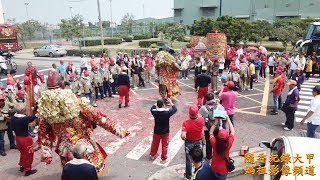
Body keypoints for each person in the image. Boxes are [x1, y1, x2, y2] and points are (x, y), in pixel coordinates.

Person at [11, 104, 38, 176]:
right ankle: (28, 170)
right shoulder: (23, 119)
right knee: (29, 154)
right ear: (22, 110)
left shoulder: (13, 118)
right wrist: (37, 109)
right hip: (25, 139)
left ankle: (22, 166)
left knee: (23, 153)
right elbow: (34, 116)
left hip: (17, 138)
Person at [149, 99, 177, 164]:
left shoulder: (154, 112)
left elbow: (151, 108)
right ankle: (163, 158)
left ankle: (153, 155)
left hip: (157, 131)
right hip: (165, 131)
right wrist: (171, 103)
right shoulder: (167, 113)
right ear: (163, 105)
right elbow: (175, 109)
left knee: (155, 143)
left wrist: (155, 103)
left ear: (157, 106)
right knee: (165, 145)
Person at [199, 93, 225, 161]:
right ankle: (217, 155)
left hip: (207, 128)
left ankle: (209, 157)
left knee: (208, 142)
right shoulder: (219, 107)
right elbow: (224, 118)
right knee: (218, 142)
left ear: (206, 99)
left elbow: (199, 118)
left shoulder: (203, 108)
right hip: (218, 128)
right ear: (213, 98)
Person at [181, 105, 205, 180]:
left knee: (188, 160)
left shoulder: (186, 123)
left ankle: (188, 176)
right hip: (198, 142)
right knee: (199, 158)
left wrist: (183, 135)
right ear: (197, 114)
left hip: (189, 143)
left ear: (189, 114)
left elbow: (183, 135)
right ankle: (200, 172)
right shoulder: (201, 120)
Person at [209, 113, 235, 180]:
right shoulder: (228, 143)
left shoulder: (214, 142)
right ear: (227, 138)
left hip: (214, 167)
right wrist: (228, 119)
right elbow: (232, 132)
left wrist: (216, 122)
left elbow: (211, 132)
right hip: (223, 169)